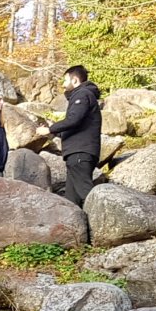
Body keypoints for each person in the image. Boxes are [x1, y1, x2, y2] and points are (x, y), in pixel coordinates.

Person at [37, 65, 102, 206]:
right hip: (78, 153)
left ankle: (108, 217)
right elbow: (75, 125)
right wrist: (54, 131)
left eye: (65, 80)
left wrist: (50, 129)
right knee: (71, 201)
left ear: (75, 80)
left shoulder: (82, 94)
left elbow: (73, 120)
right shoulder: (84, 95)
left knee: (86, 193)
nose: (63, 84)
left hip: (79, 153)